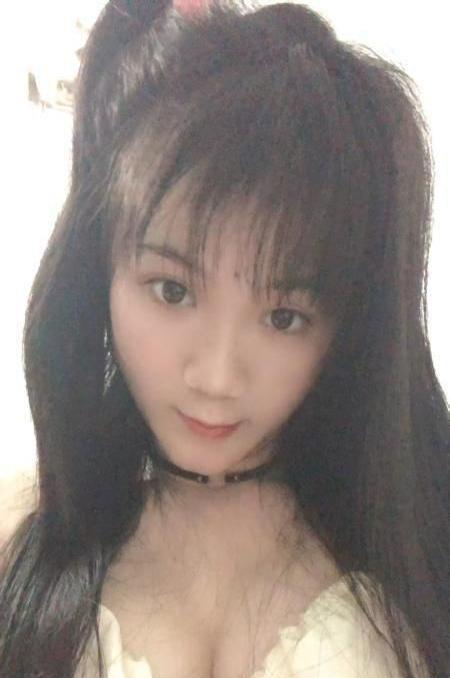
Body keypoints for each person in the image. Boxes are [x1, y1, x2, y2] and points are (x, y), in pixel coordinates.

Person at [0, 1, 448, 676]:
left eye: (283, 317)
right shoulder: (24, 546)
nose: (216, 377)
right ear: (99, 274)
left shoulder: (418, 550)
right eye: (172, 291)